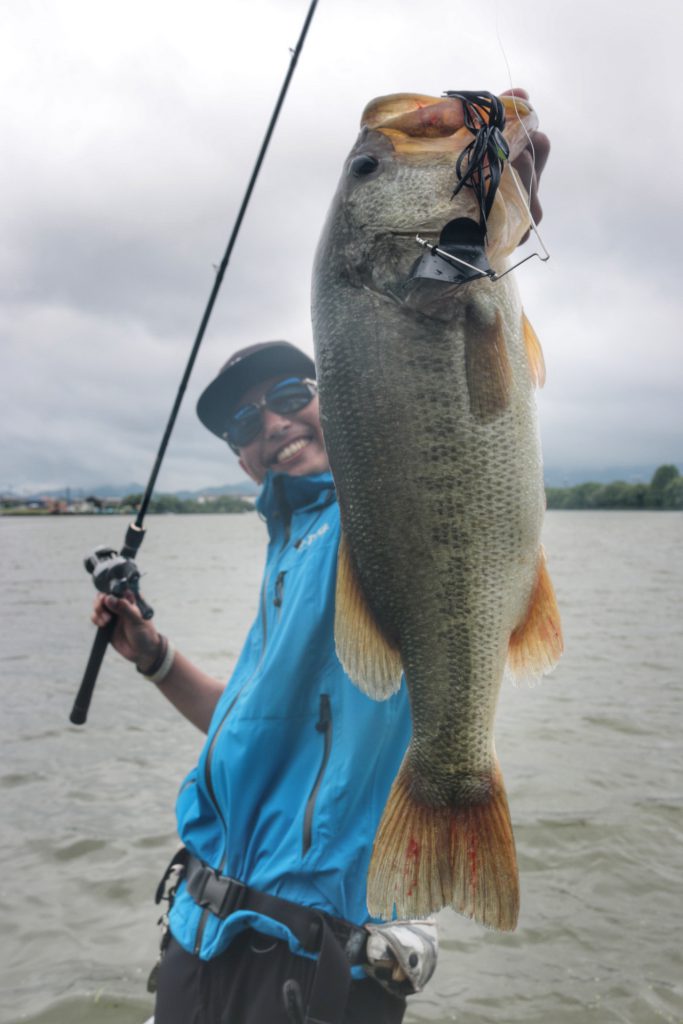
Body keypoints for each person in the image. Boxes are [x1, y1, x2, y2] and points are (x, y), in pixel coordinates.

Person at [91, 111, 549, 1024]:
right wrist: (153, 657)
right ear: (238, 456)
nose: (270, 423)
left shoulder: (365, 514)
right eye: (243, 422)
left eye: (289, 394)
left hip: (312, 959)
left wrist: (494, 206)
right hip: (196, 936)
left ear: (341, 390)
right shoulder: (287, 547)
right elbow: (251, 730)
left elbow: (446, 399)